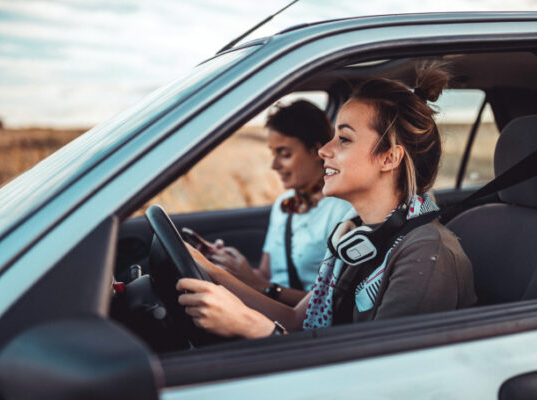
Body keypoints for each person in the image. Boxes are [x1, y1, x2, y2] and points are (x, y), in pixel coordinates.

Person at [176, 63, 477, 338]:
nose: (324, 151)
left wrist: (250, 325)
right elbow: (295, 321)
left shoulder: (426, 253)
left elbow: (376, 378)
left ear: (390, 157)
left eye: (343, 139)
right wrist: (210, 270)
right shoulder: (356, 235)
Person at [207, 100, 353, 306]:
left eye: (284, 154)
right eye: (273, 153)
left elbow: (333, 303)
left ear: (316, 151)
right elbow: (266, 273)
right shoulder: (283, 204)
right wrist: (231, 265)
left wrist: (258, 284)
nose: (274, 165)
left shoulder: (343, 211)